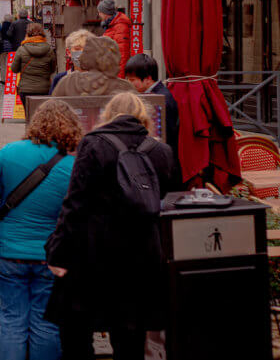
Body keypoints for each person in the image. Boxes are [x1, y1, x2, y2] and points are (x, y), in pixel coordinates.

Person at [45, 92, 174, 360]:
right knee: (130, 338)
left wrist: (57, 251)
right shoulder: (162, 152)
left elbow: (75, 204)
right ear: (144, 116)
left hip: (93, 254)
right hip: (142, 256)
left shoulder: (93, 144)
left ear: (108, 115)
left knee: (77, 334)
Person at [0, 100, 82, 360]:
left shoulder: (7, 153)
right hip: (51, 256)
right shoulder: (75, 165)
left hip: (7, 252)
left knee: (12, 323)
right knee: (46, 324)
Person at [124, 53, 181, 176]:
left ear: (148, 79)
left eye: (132, 80)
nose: (129, 83)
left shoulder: (161, 99)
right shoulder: (153, 94)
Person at [51, 36, 135, 98]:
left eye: (85, 51)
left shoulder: (69, 82)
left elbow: (51, 110)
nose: (80, 56)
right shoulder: (124, 87)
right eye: (78, 49)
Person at [11, 23, 57, 100]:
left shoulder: (21, 49)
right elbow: (52, 69)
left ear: (27, 34)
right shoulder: (49, 50)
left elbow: (14, 69)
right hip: (44, 89)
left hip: (26, 89)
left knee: (28, 111)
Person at [49, 29, 95, 94]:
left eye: (86, 49)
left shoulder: (102, 80)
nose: (82, 53)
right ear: (69, 52)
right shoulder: (60, 79)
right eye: (77, 49)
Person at [96, 0, 132, 78]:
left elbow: (122, 55)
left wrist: (119, 79)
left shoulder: (120, 27)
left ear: (106, 13)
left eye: (100, 12)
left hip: (115, 74)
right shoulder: (111, 25)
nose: (99, 15)